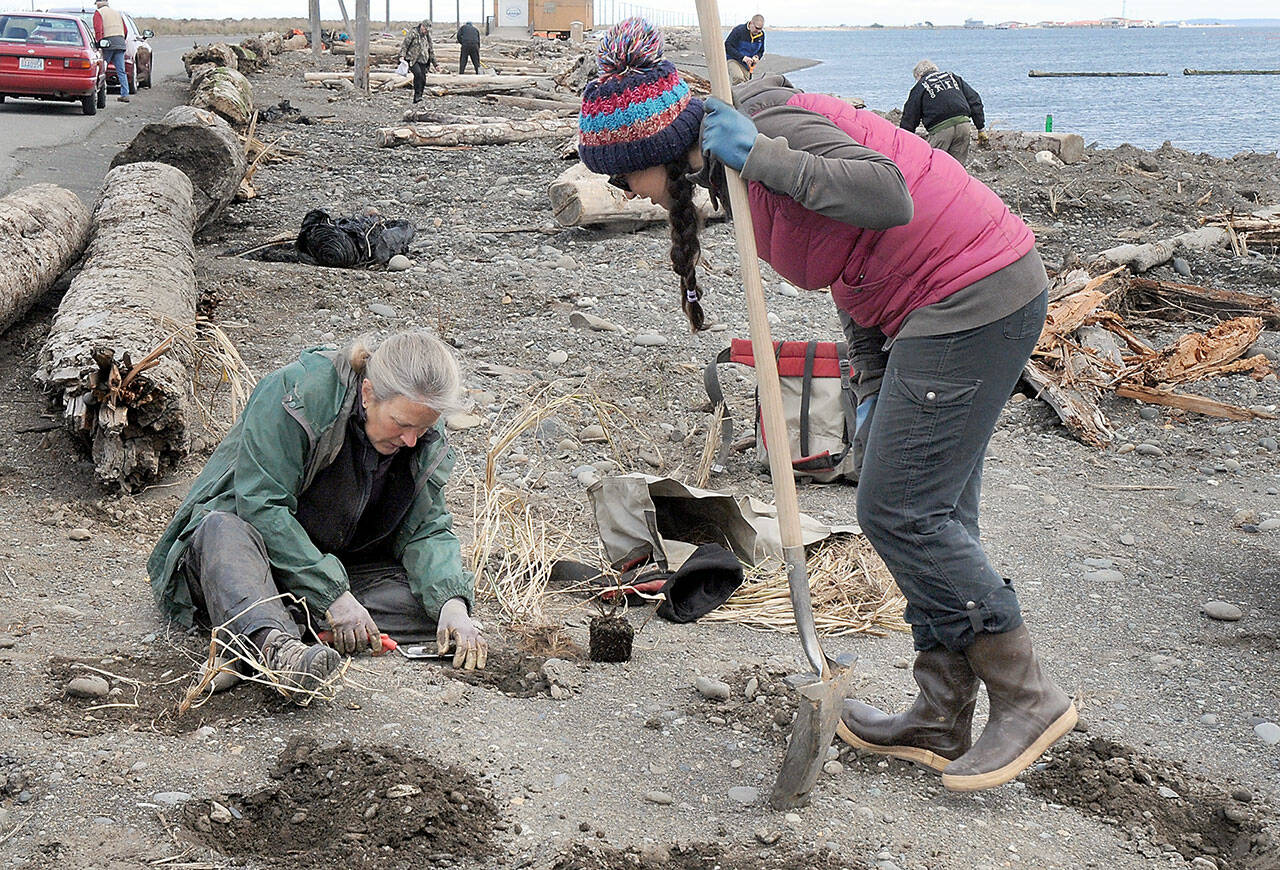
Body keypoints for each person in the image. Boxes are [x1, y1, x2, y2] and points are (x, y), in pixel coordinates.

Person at [578, 18, 1076, 792]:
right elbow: (851, 268)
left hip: (973, 292)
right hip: (922, 313)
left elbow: (886, 195)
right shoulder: (727, 180)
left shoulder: (762, 131)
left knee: (900, 512)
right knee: (934, 513)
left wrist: (765, 158)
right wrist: (873, 386)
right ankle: (942, 710)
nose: (622, 192)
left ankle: (1028, 695)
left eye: (622, 175)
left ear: (652, 151)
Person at [147, 331, 488, 704]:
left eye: (422, 429)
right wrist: (333, 595)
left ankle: (258, 626)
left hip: (336, 565)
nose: (411, 440)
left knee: (433, 609)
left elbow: (426, 528)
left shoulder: (419, 423)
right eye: (401, 425)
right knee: (220, 530)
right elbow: (261, 507)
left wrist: (452, 606)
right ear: (369, 392)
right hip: (245, 553)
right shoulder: (296, 396)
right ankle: (280, 651)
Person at [899, 60, 987, 166]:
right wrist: (980, 128)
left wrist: (905, 141)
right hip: (963, 125)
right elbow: (975, 100)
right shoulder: (953, 77)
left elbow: (910, 116)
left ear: (918, 76)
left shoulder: (920, 86)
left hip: (941, 129)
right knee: (956, 167)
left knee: (931, 165)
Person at [92, 0, 129, 103]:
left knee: (102, 69)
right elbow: (125, 30)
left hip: (107, 43)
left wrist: (99, 43)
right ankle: (125, 94)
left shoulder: (98, 13)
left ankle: (99, 93)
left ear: (98, 3)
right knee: (121, 71)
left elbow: (98, 29)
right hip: (120, 42)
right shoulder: (117, 13)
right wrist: (121, 40)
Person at [399, 20, 439, 103]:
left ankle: (420, 95)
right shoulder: (413, 33)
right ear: (422, 26)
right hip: (413, 59)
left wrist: (436, 64)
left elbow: (431, 50)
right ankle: (416, 96)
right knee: (418, 75)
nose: (426, 31)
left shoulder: (427, 36)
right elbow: (405, 44)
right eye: (425, 29)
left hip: (424, 61)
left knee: (423, 79)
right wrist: (402, 55)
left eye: (427, 30)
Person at [723, 14, 764, 85]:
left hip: (747, 64)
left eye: (760, 29)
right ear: (751, 23)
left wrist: (757, 57)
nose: (758, 31)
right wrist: (742, 57)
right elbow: (728, 46)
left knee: (746, 84)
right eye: (756, 28)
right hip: (733, 59)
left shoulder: (761, 35)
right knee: (738, 78)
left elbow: (761, 51)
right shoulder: (739, 30)